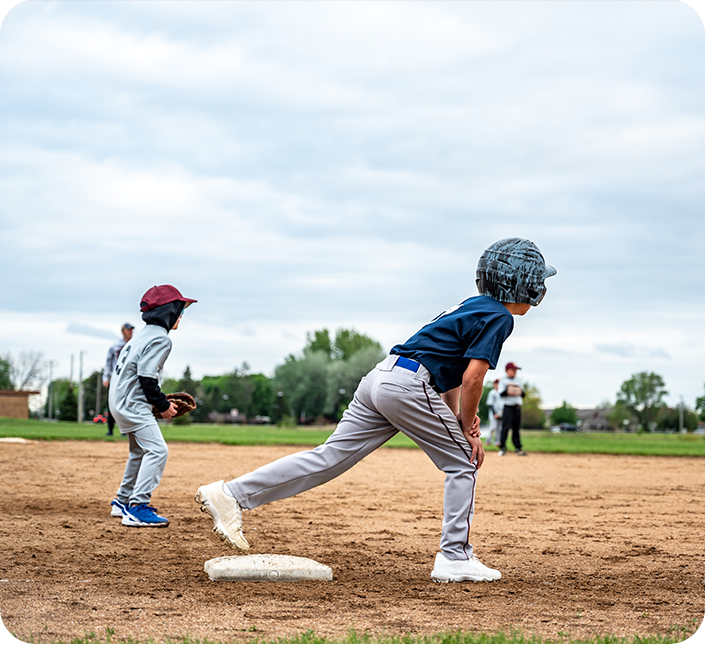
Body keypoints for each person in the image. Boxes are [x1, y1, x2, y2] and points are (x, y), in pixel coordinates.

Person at [195, 238, 556, 582]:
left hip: (383, 377)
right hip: (408, 386)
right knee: (463, 461)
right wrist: (465, 429)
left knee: (329, 457)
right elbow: (474, 377)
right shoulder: (499, 316)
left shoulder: (469, 306)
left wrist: (459, 423)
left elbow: (451, 379)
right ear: (523, 283)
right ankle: (454, 558)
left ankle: (230, 494)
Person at [109, 284, 197, 527]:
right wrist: (162, 404)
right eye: (179, 309)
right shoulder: (160, 338)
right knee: (158, 450)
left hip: (120, 402)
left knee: (139, 451)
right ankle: (138, 506)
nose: (181, 314)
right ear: (168, 311)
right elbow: (146, 377)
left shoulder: (141, 336)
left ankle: (122, 500)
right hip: (133, 405)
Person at [103, 323, 134, 436]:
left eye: (131, 330)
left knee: (127, 404)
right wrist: (105, 377)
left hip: (130, 378)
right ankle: (110, 430)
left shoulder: (135, 344)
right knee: (113, 404)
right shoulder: (115, 346)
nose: (130, 332)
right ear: (122, 331)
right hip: (116, 377)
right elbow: (108, 362)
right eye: (128, 330)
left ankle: (125, 430)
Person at [497, 362, 526, 456]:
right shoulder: (503, 381)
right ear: (507, 371)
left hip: (517, 407)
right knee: (505, 428)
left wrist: (518, 390)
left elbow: (523, 394)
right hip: (508, 407)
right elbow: (501, 394)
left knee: (516, 429)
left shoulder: (519, 381)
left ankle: (518, 448)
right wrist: (508, 389)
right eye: (513, 370)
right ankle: (502, 448)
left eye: (515, 370)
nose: (515, 372)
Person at [486, 379, 503, 446]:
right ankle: (488, 440)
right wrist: (494, 413)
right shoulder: (492, 392)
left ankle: (497, 442)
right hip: (494, 413)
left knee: (499, 428)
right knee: (493, 427)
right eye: (496, 383)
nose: (497, 385)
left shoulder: (501, 392)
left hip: (501, 412)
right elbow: (490, 404)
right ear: (494, 384)